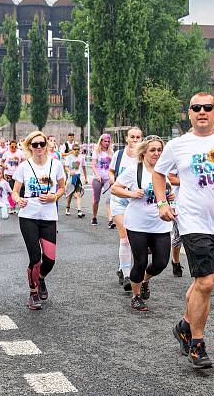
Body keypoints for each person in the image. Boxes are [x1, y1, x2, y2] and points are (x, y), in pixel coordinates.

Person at [153, 92, 214, 369]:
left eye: (207, 107)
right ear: (189, 113)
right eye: (196, 108)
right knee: (206, 283)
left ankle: (184, 325)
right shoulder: (178, 145)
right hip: (192, 222)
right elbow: (158, 174)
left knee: (201, 283)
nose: (202, 112)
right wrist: (162, 202)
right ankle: (197, 343)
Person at [112, 136, 172, 312]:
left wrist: (170, 197)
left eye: (159, 150)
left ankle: (145, 280)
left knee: (161, 262)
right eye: (152, 150)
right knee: (140, 261)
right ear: (145, 151)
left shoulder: (165, 170)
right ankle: (136, 296)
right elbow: (116, 188)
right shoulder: (134, 170)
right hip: (138, 224)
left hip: (161, 223)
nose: (156, 153)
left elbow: (169, 191)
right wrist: (131, 194)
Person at [12, 130, 66, 310]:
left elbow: (61, 188)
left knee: (50, 260)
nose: (39, 148)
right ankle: (33, 293)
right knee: (35, 258)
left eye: (42, 144)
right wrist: (18, 199)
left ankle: (40, 278)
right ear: (30, 147)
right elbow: (15, 191)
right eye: (35, 145)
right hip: (28, 217)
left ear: (47, 146)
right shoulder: (23, 166)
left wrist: (54, 197)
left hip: (49, 217)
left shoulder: (56, 165)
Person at [108, 127, 143, 290]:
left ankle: (123, 267)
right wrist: (112, 180)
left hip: (136, 202)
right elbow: (111, 171)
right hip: (120, 200)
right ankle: (128, 275)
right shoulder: (119, 155)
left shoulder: (143, 157)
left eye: (138, 137)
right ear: (126, 139)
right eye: (132, 137)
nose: (135, 140)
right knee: (125, 238)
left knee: (137, 240)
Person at [90, 134, 114, 226]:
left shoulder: (111, 151)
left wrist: (112, 176)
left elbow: (113, 166)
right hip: (98, 178)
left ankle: (110, 219)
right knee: (96, 199)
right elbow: (93, 165)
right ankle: (94, 217)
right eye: (105, 141)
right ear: (101, 141)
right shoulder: (96, 151)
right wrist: (97, 175)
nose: (107, 143)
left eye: (108, 141)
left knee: (109, 198)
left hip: (108, 178)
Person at [63, 143, 87, 218]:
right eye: (75, 149)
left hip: (78, 177)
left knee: (78, 194)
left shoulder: (81, 157)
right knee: (70, 194)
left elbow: (83, 167)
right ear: (72, 150)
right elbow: (66, 167)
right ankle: (67, 208)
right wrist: (69, 172)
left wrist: (86, 178)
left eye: (78, 149)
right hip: (71, 177)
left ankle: (79, 211)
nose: (76, 151)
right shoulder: (69, 157)